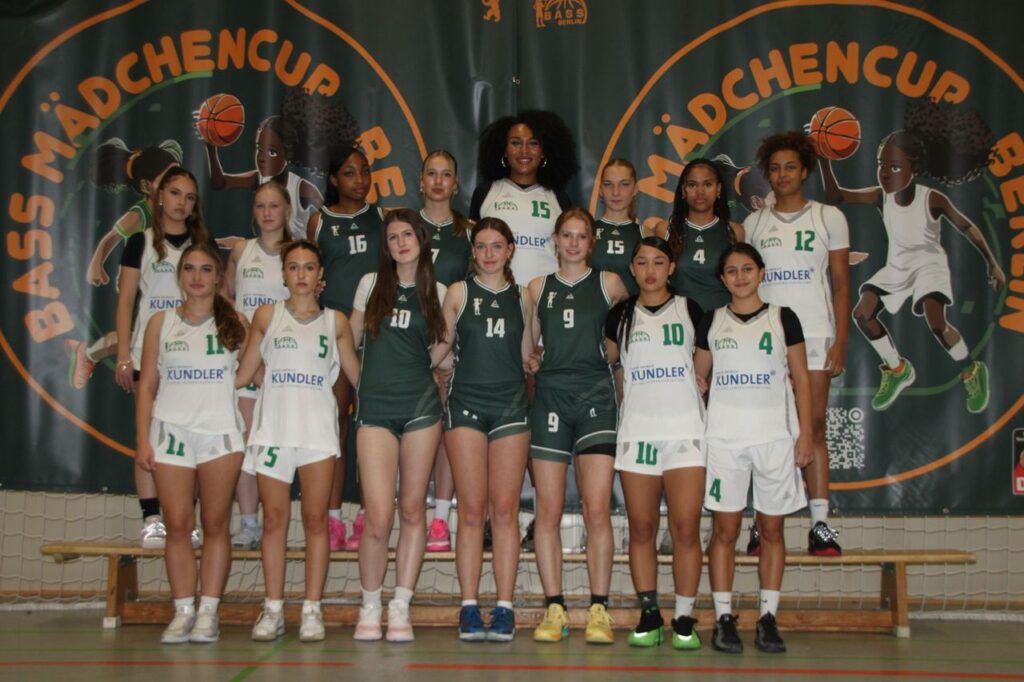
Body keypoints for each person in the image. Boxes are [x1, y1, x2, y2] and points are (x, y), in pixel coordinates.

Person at [819, 98, 1005, 413]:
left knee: (936, 322)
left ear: (913, 169)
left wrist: (993, 263)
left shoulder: (932, 199)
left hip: (929, 263)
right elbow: (836, 196)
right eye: (881, 164)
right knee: (863, 314)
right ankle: (897, 369)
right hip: (898, 266)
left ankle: (971, 369)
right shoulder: (881, 196)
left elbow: (967, 227)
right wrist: (824, 160)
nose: (884, 173)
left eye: (894, 167)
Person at [236, 240, 361, 643]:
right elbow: (245, 374)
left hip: (317, 433)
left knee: (315, 521)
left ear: (321, 275)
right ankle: (273, 608)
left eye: (309, 267)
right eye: (293, 267)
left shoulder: (336, 322)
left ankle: (311, 608)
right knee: (274, 520)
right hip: (274, 431)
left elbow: (358, 377)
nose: (301, 274)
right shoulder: (266, 316)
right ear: (284, 274)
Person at [695, 243, 814, 655]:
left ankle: (768, 618)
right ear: (722, 278)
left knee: (772, 531)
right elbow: (698, 378)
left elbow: (801, 378)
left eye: (747, 269)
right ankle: (724, 618)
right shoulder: (712, 321)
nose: (740, 277)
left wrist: (805, 434)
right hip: (724, 440)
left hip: (775, 438)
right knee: (725, 531)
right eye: (732, 271)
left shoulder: (784, 318)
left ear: (761, 272)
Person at [134, 242, 247, 644]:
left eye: (205, 269)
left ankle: (208, 613)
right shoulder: (160, 322)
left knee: (215, 524)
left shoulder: (237, 321)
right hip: (171, 433)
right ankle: (183, 610)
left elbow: (255, 373)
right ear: (179, 275)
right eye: (189, 269)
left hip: (219, 433)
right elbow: (147, 385)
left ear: (218, 278)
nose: (197, 277)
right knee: (178, 525)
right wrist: (142, 439)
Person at [743, 131, 850, 556]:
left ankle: (820, 524)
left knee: (814, 425)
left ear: (804, 171)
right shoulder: (754, 224)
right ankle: (761, 522)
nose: (782, 174)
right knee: (765, 431)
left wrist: (840, 341)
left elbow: (841, 284)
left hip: (816, 333)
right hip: (766, 340)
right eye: (775, 168)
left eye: (790, 167)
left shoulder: (828, 217)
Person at [526, 208, 628, 644]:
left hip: (595, 398)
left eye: (581, 236)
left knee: (596, 508)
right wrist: (533, 359)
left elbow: (624, 336)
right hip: (550, 397)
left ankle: (599, 609)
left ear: (592, 242)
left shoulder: (610, 284)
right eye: (566, 235)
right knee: (547, 511)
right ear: (555, 239)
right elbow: (528, 346)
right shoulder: (537, 288)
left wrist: (608, 358)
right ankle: (555, 608)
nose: (572, 243)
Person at [430, 218, 533, 641]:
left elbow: (526, 354)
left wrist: (538, 361)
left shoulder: (524, 296)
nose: (489, 254)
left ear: (510, 250)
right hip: (467, 404)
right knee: (472, 511)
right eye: (481, 246)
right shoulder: (458, 292)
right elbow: (440, 348)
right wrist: (416, 364)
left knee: (505, 511)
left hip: (510, 405)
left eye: (497, 246)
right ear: (472, 251)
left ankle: (505, 607)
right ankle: (469, 607)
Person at [350, 209, 448, 643]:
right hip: (376, 409)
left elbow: (446, 343)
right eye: (393, 237)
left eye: (408, 234)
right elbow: (348, 339)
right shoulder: (370, 285)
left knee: (411, 509)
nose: (401, 243)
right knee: (377, 515)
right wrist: (362, 383)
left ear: (421, 240)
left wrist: (430, 365)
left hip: (420, 408)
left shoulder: (439, 292)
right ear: (385, 245)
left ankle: (400, 606)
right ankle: (370, 604)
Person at [605, 236, 706, 650]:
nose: (650, 270)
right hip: (638, 432)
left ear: (671, 268)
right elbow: (613, 364)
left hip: (685, 432)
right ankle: (649, 613)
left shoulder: (690, 309)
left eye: (659, 262)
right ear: (632, 269)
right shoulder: (620, 315)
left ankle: (683, 617)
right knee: (642, 527)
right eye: (642, 262)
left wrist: (700, 380)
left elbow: (703, 361)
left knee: (685, 528)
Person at [114, 167, 211, 550]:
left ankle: (187, 518)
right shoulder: (140, 242)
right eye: (174, 193)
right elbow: (126, 301)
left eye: (189, 197)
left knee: (193, 436)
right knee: (150, 437)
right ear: (158, 197)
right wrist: (124, 355)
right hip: (148, 355)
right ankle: (152, 518)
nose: (181, 203)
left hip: (192, 357)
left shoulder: (202, 244)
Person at [309, 145, 385, 552]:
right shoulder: (319, 221)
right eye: (350, 172)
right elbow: (309, 273)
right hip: (334, 335)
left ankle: (368, 515)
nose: (360, 179)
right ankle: (333, 517)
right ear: (334, 179)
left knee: (372, 426)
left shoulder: (382, 218)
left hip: (374, 334)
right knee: (335, 423)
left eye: (365, 171)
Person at [68, 138, 181, 385]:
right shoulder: (139, 215)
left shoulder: (178, 208)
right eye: (167, 180)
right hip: (140, 286)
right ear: (147, 186)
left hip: (167, 284)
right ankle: (88, 353)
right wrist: (96, 264)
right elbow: (110, 238)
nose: (176, 184)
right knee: (133, 340)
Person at [221, 181, 293, 550]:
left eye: (274, 206)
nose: (267, 213)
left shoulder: (297, 254)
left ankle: (275, 522)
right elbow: (225, 298)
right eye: (261, 206)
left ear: (287, 210)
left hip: (282, 363)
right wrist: (241, 339)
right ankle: (249, 522)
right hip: (245, 361)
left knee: (275, 447)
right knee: (246, 442)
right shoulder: (241, 251)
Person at [204, 88, 359, 240]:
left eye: (272, 152)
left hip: (296, 255)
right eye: (259, 149)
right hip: (268, 253)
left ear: (288, 155)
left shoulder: (302, 189)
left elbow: (332, 219)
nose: (262, 158)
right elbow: (219, 183)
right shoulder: (259, 180)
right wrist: (211, 147)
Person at [418, 150, 473, 554]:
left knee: (445, 433)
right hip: (406, 344)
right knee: (403, 433)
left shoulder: (468, 231)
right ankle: (391, 512)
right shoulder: (403, 226)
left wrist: (448, 351)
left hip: (449, 346)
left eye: (446, 175)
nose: (438, 181)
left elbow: (472, 292)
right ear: (420, 181)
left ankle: (439, 518)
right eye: (431, 174)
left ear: (456, 184)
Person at [470, 109, 579, 284]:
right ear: (504, 150)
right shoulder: (485, 193)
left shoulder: (559, 198)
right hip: (496, 294)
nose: (524, 150)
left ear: (543, 151)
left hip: (546, 295)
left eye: (533, 143)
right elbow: (473, 251)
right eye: (516, 143)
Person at [655, 157, 745, 311]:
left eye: (707, 184)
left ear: (718, 189)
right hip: (679, 319)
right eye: (692, 185)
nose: (700, 192)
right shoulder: (665, 230)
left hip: (722, 320)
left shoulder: (734, 231)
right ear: (683, 190)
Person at [592, 159, 647, 296]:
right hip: (591, 308)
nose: (616, 192)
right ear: (600, 190)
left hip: (633, 308)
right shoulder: (587, 231)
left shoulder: (646, 234)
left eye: (624, 184)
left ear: (635, 189)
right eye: (608, 184)